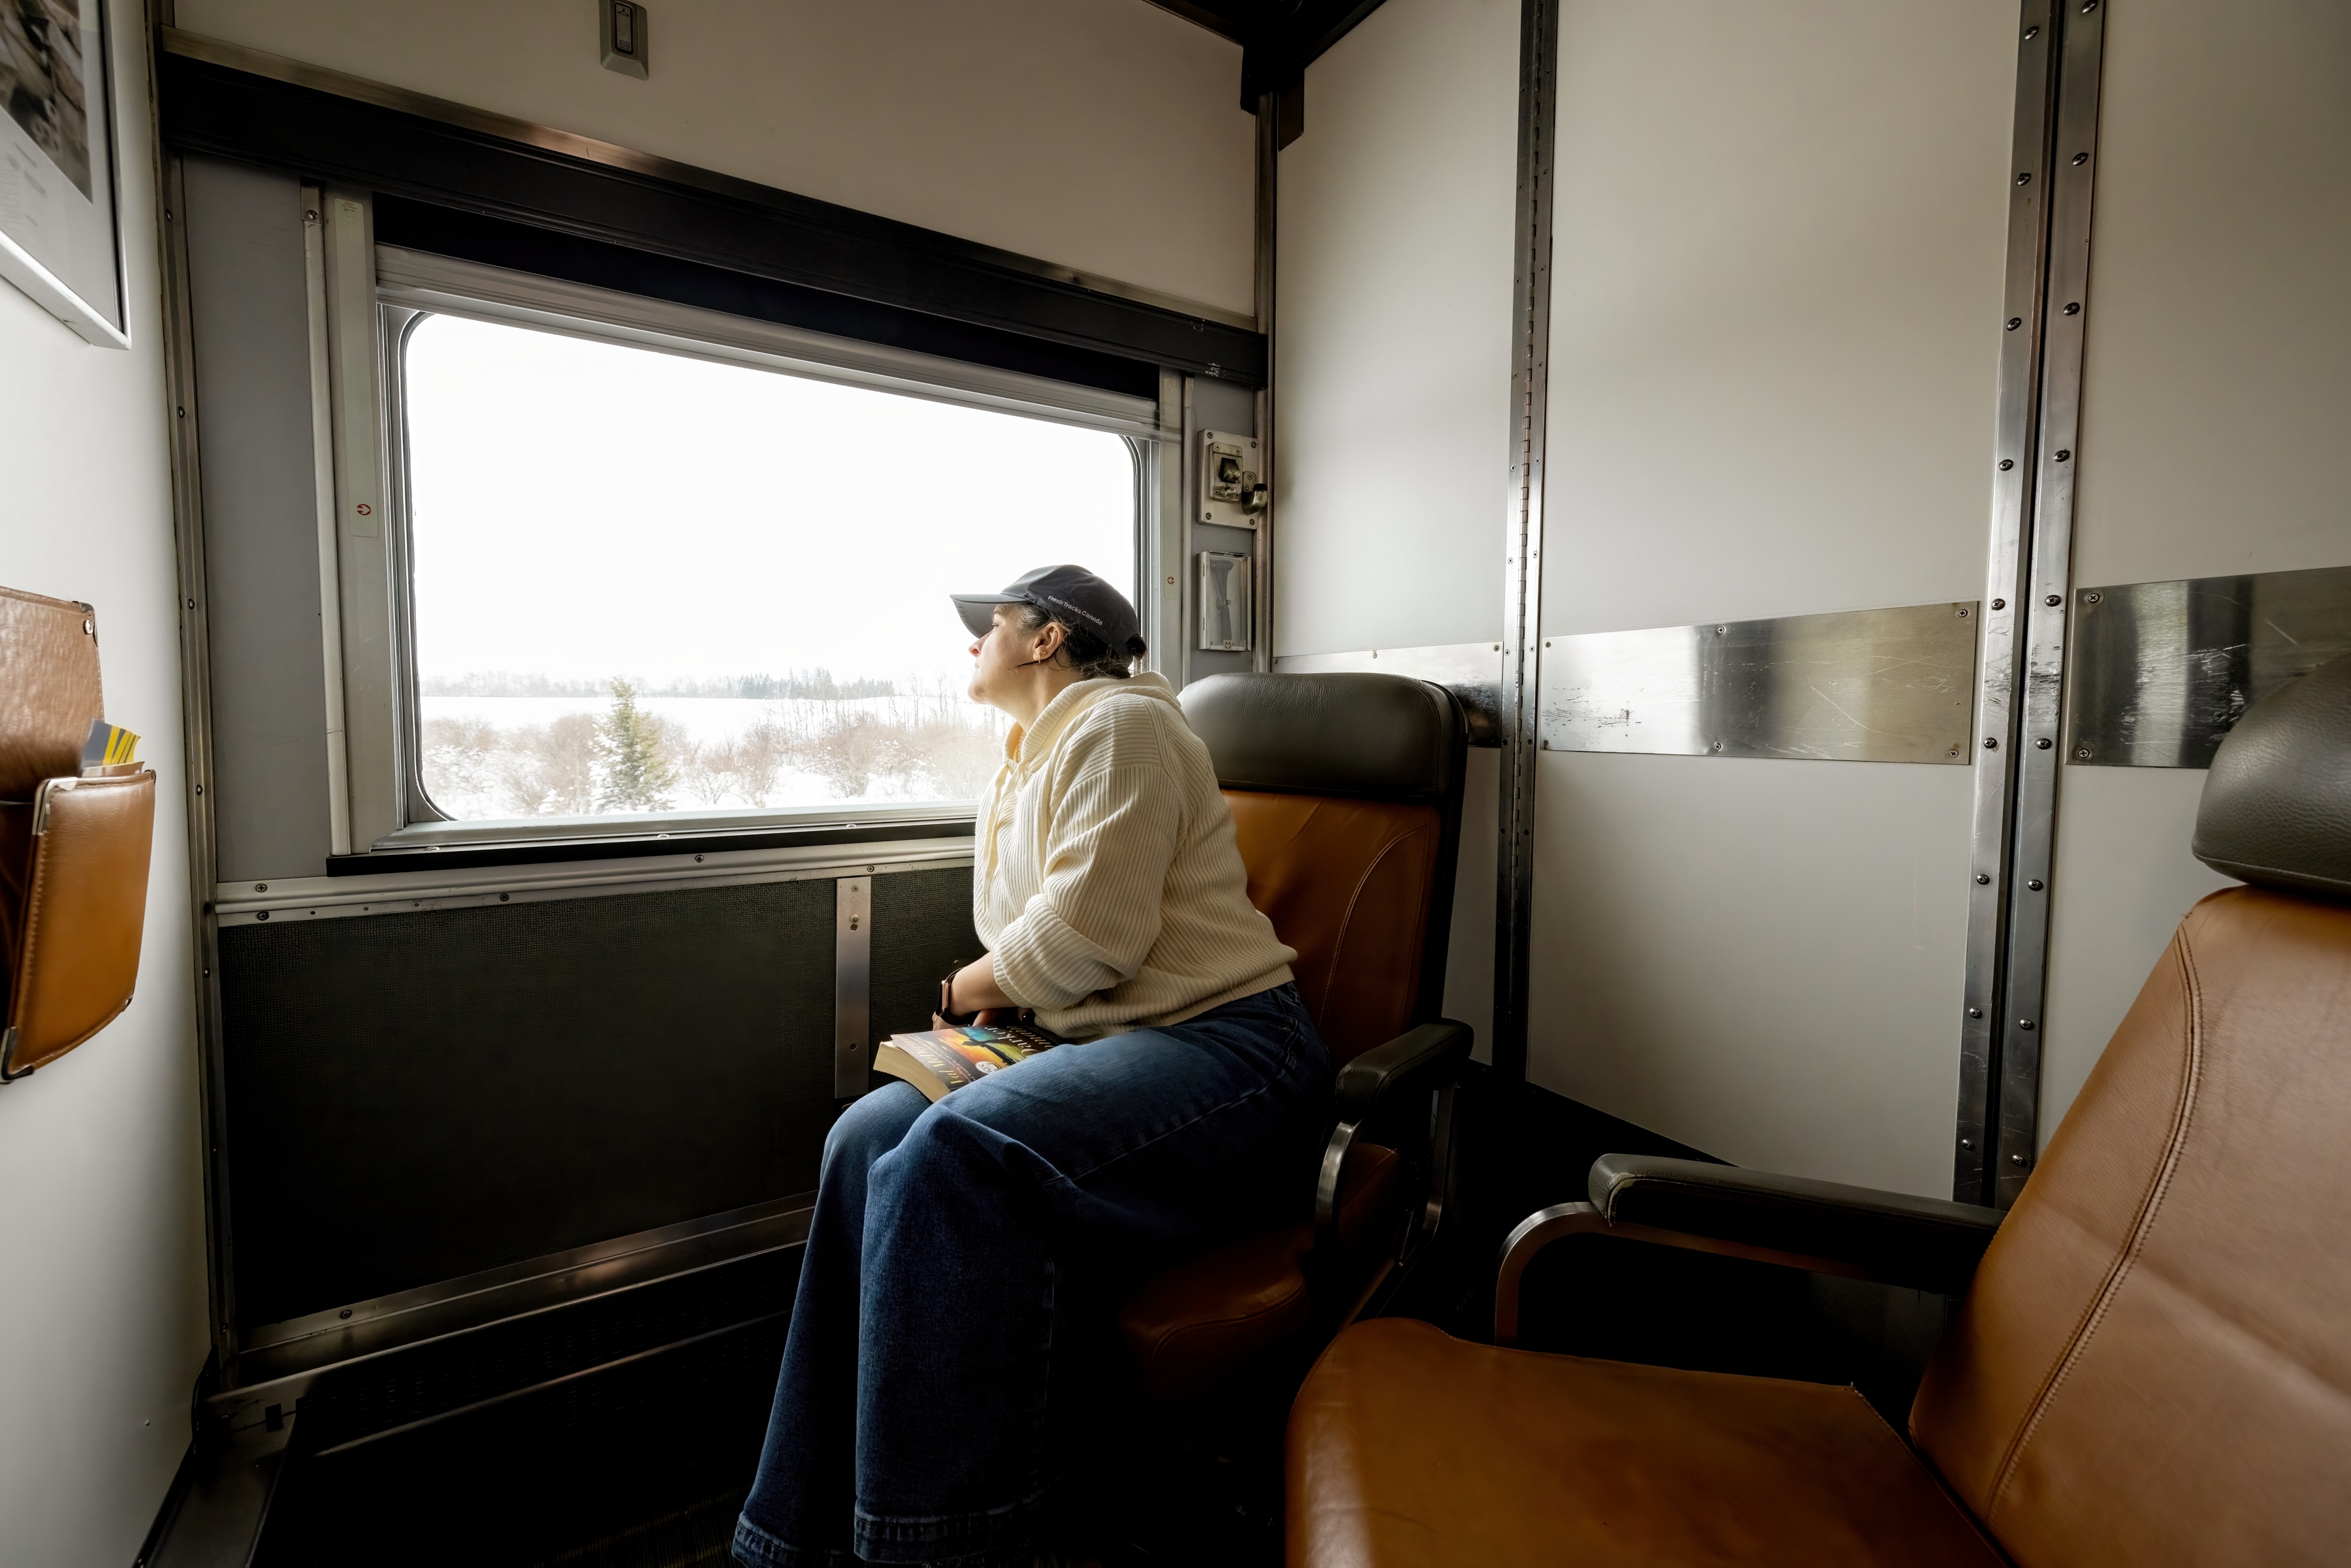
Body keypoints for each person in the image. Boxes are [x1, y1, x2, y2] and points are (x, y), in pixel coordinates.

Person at [733, 566, 1330, 1568]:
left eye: (992, 624)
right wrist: (1004, 989)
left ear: (1049, 638)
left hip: (1234, 1046)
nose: (976, 643)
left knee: (950, 1155)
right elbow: (1052, 938)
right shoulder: (1024, 760)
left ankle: (932, 1547)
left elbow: (1092, 935)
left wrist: (974, 985)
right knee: (864, 1137)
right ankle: (791, 1538)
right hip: (1102, 1039)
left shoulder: (1125, 726)